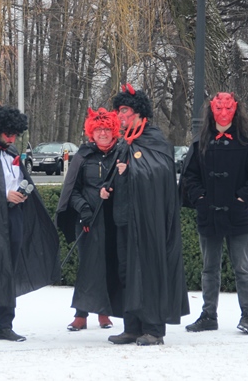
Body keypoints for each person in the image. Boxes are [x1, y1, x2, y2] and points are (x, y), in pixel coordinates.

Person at [0, 106, 60, 343]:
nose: (12, 139)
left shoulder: (11, 151)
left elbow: (20, 178)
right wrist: (3, 195)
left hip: (13, 215)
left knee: (10, 268)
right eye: (9, 134)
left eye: (15, 134)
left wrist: (21, 192)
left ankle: (5, 325)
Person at [105, 84, 189, 346]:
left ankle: (153, 328)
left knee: (149, 271)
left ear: (139, 113)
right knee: (126, 272)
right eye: (119, 111)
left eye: (125, 111)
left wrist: (131, 171)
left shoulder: (155, 141)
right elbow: (118, 175)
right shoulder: (125, 142)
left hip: (149, 222)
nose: (120, 116)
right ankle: (132, 327)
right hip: (125, 219)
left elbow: (159, 174)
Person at [182, 92, 248, 335]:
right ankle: (209, 315)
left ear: (235, 109)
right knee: (209, 269)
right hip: (209, 214)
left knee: (243, 269)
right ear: (212, 110)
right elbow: (189, 176)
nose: (224, 113)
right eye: (219, 108)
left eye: (228, 108)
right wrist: (200, 199)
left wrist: (242, 199)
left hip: (238, 215)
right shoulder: (200, 143)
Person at [56, 108, 122, 332]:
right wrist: (84, 210)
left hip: (113, 221)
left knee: (110, 264)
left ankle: (105, 312)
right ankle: (81, 314)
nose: (103, 133)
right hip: (88, 221)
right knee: (88, 266)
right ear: (91, 132)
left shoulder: (121, 154)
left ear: (114, 131)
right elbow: (72, 190)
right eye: (99, 129)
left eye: (107, 129)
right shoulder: (83, 156)